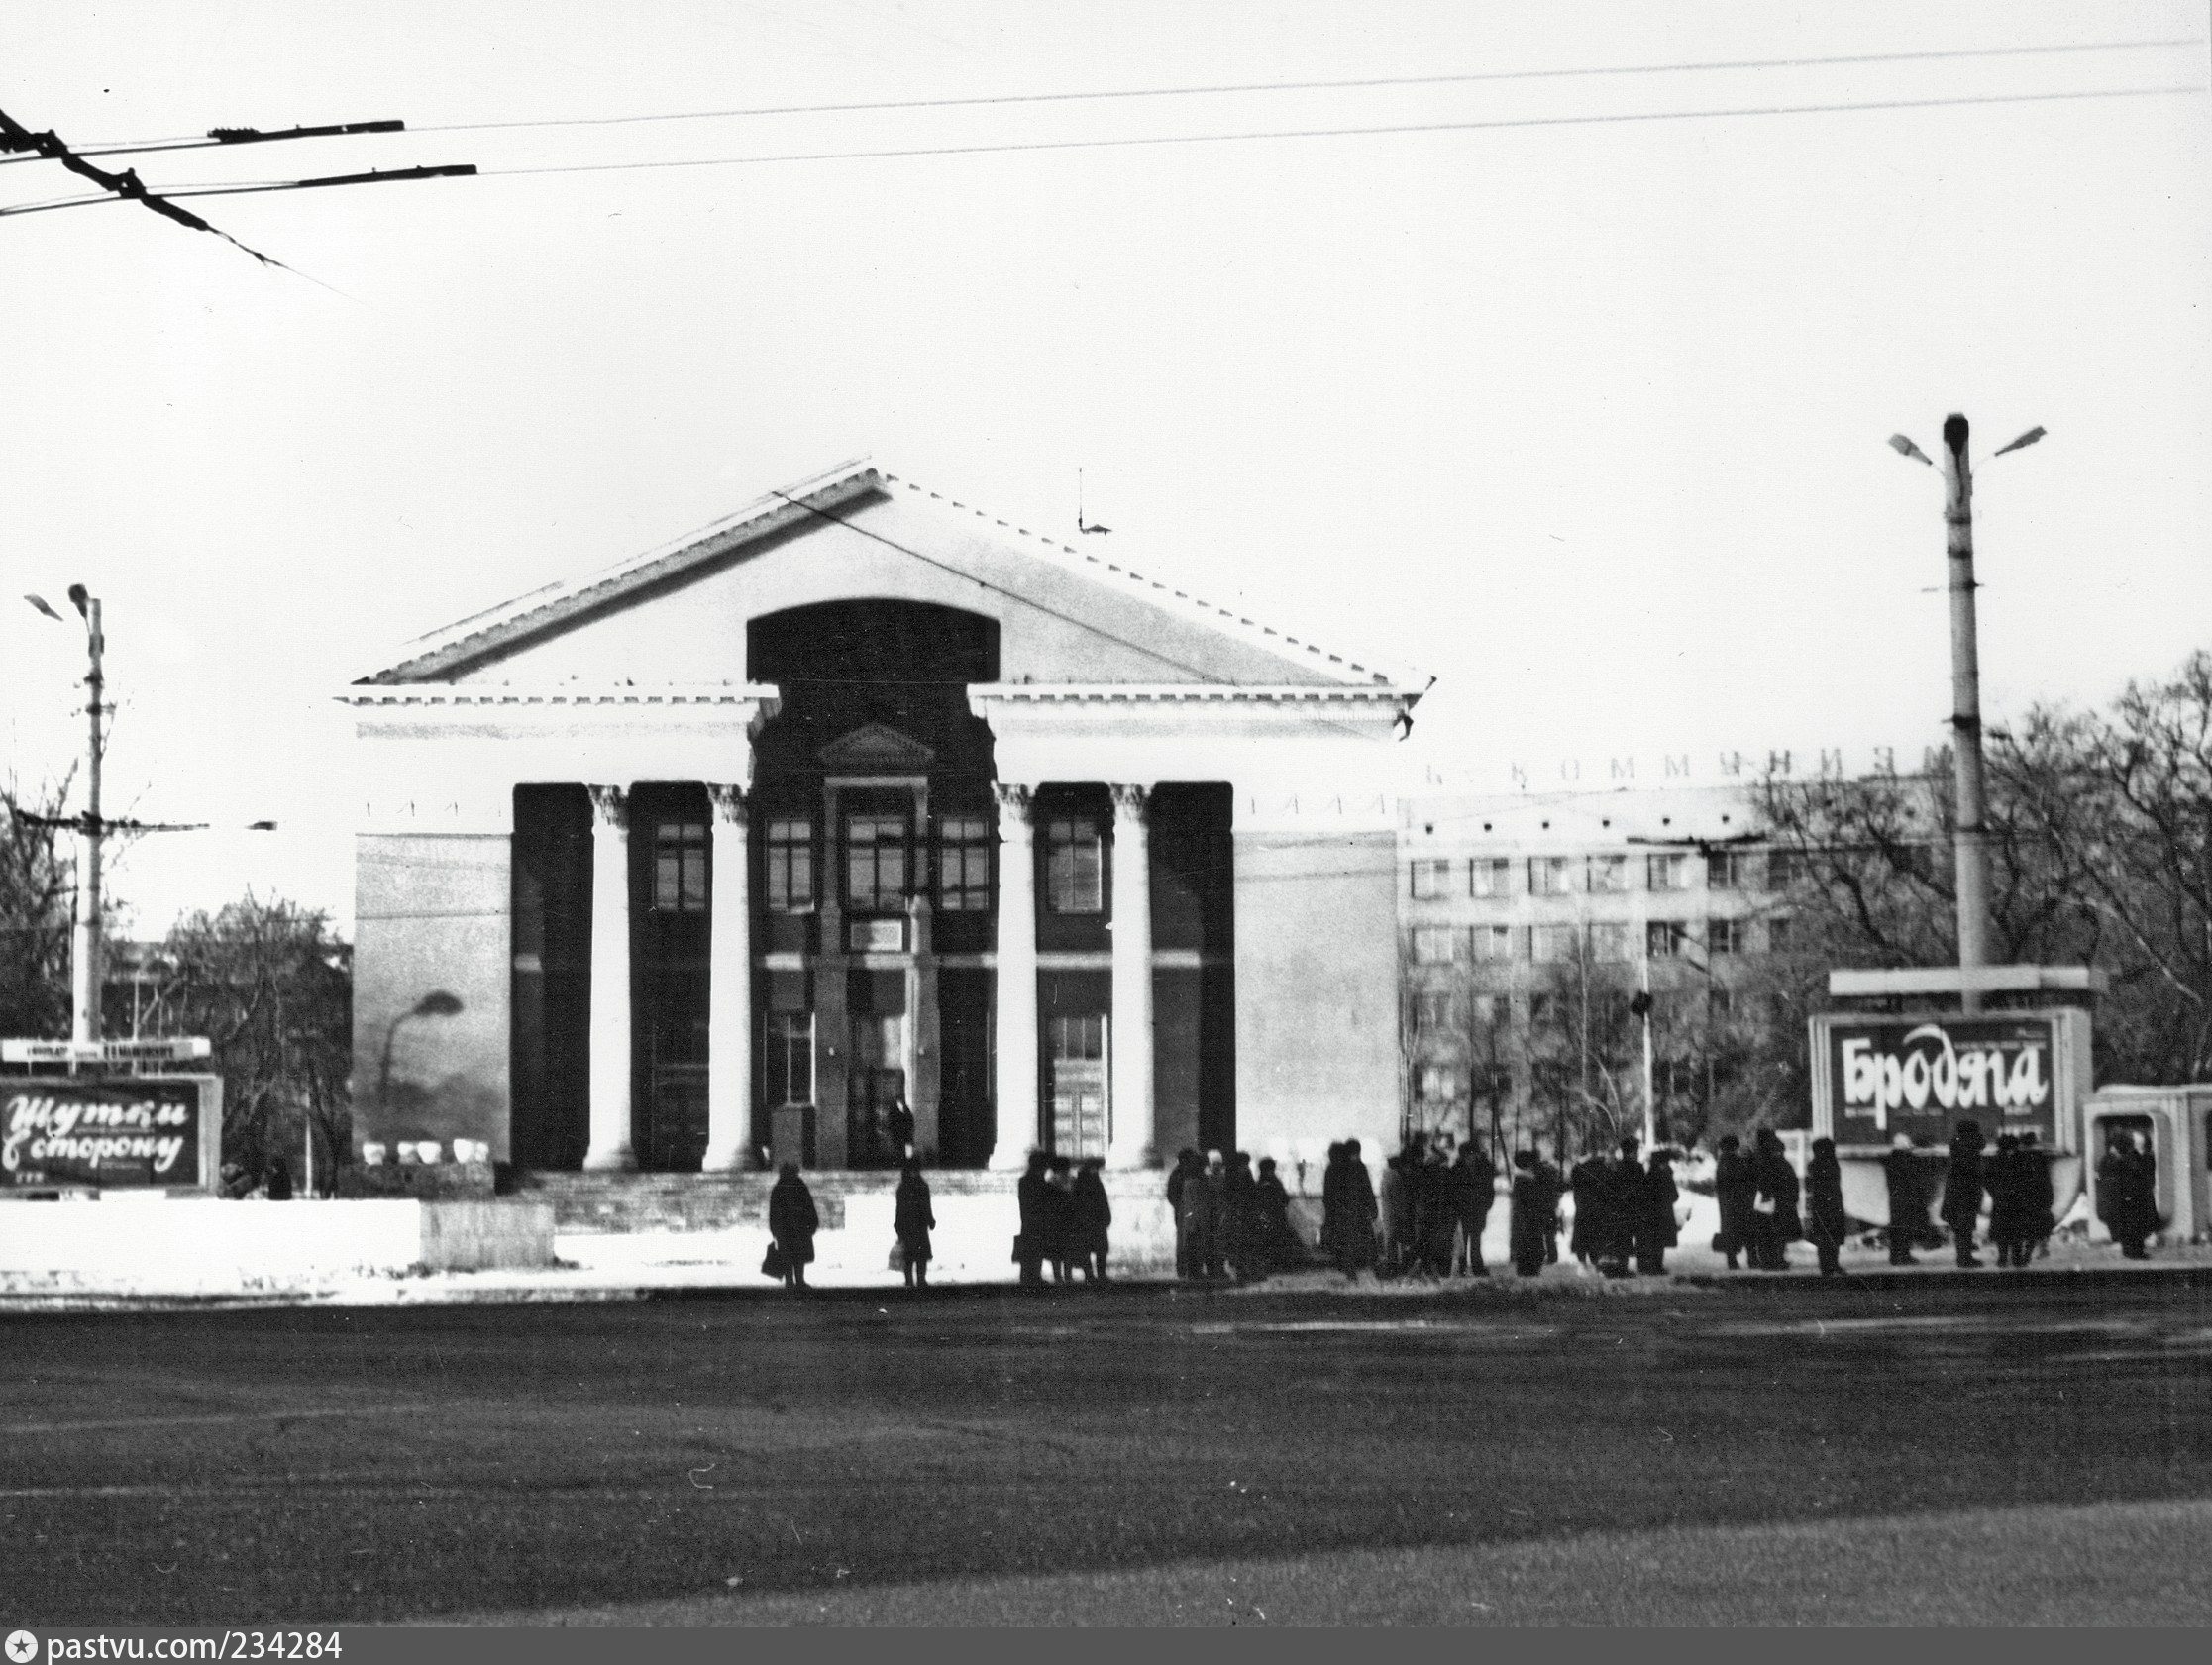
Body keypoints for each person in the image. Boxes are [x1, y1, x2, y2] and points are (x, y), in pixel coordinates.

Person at [2097, 1129, 2159, 1261]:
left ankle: (2133, 1250)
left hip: (2126, 1198)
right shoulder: (2129, 1159)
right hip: (2130, 1198)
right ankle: (2134, 1251)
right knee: (2133, 1226)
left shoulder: (2115, 1159)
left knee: (2131, 1226)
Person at [1320, 1141, 1378, 1281]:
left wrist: (1329, 1215)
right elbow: (1366, 1189)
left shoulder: (1332, 1168)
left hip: (1340, 1214)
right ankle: (1372, 1270)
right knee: (1364, 1242)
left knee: (1345, 1244)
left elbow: (1328, 1196)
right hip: (1357, 1213)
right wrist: (1372, 1208)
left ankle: (1350, 1270)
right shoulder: (1356, 1167)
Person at [1748, 1129, 1801, 1272]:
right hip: (1777, 1198)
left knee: (1766, 1232)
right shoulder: (1775, 1158)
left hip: (1767, 1198)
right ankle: (1776, 1259)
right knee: (1777, 1231)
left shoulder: (1758, 1155)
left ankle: (1768, 1260)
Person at [1448, 1140, 1498, 1276]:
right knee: (1463, 1241)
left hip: (1478, 1210)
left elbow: (1489, 1190)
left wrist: (1486, 1205)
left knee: (1476, 1240)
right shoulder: (1457, 1170)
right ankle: (1463, 1267)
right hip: (1463, 1210)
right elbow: (1453, 1192)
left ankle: (1477, 1266)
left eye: (1473, 1154)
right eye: (1469, 1155)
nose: (1471, 1158)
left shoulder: (1484, 1169)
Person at [1882, 1132, 1932, 1266]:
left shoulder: (1891, 1159)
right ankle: (1903, 1255)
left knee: (1898, 1227)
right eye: (1908, 1142)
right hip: (1907, 1198)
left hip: (1896, 1198)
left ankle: (1896, 1256)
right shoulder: (1906, 1158)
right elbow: (1914, 1176)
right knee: (1905, 1228)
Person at [768, 1161, 818, 1290]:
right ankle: (798, 1281)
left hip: (787, 1228)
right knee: (797, 1256)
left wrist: (774, 1229)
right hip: (798, 1227)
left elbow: (774, 1211)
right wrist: (812, 1223)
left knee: (789, 1255)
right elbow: (809, 1206)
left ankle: (791, 1281)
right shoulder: (799, 1186)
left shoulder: (779, 1188)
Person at [1943, 1121, 1987, 1269]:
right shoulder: (1970, 1149)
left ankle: (1964, 1256)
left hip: (1956, 1194)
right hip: (1967, 1194)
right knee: (1966, 1227)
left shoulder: (1957, 1146)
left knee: (1962, 1228)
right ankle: (1965, 1258)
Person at [1805, 1137, 1848, 1277]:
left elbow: (1809, 1186)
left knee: (1823, 1236)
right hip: (1832, 1204)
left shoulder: (1813, 1165)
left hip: (1820, 1205)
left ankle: (1826, 1265)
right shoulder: (1831, 1164)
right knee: (1833, 1235)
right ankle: (1832, 1263)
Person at [1252, 1156, 1304, 1273]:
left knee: (1270, 1241)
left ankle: (1272, 1264)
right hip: (1276, 1215)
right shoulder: (1273, 1181)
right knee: (1276, 1240)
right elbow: (1284, 1198)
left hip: (1268, 1216)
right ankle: (1277, 1264)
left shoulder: (1261, 1182)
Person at [1713, 1134, 1755, 1271]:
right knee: (1747, 1231)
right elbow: (1747, 1177)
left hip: (1726, 1204)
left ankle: (1732, 1260)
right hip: (1740, 1203)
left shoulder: (1721, 1162)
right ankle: (1752, 1259)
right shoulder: (1736, 1162)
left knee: (1729, 1231)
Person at [1635, 1147, 1679, 1277]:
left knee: (1652, 1241)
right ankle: (1657, 1266)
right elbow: (1675, 1195)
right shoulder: (1665, 1175)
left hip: (1650, 1214)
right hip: (1663, 1213)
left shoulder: (1649, 1175)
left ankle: (1648, 1266)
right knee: (1660, 1242)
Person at [1223, 1150, 1265, 1283]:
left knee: (1242, 1244)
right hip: (1242, 1213)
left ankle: (1244, 1271)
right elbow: (1250, 1192)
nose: (1246, 1165)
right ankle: (1245, 1272)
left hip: (1240, 1213)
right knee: (1243, 1244)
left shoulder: (1236, 1174)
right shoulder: (1241, 1173)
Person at [894, 1158, 935, 1289]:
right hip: (916, 1225)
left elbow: (901, 1209)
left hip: (913, 1225)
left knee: (913, 1255)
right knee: (914, 1255)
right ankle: (915, 1280)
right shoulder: (920, 1186)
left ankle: (915, 1280)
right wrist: (930, 1219)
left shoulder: (905, 1187)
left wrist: (898, 1225)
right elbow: (925, 1206)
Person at [1509, 1150, 1550, 1277]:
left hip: (1525, 1220)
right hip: (1529, 1219)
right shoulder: (1526, 1180)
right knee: (1530, 1245)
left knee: (1526, 1245)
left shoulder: (1520, 1180)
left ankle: (1527, 1268)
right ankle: (1531, 1268)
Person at [1071, 1156, 1111, 1280]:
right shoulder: (1089, 1181)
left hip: (1092, 1220)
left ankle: (1094, 1275)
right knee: (1093, 1249)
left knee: (1093, 1249)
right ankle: (1095, 1275)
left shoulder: (1086, 1180)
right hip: (1091, 1220)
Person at [1567, 1147, 1608, 1269]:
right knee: (1595, 1238)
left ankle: (1584, 1264)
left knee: (1583, 1237)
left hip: (1584, 1207)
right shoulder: (1600, 1167)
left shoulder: (1580, 1168)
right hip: (1594, 1208)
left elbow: (1573, 1178)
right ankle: (1594, 1264)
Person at [1166, 1148, 1204, 1280]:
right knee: (1185, 1240)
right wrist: (1180, 1207)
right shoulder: (1180, 1174)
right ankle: (1185, 1268)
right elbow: (1172, 1194)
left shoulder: (1184, 1173)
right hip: (1184, 1212)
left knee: (1191, 1240)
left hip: (1187, 1212)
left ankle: (1192, 1268)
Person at [1015, 1150, 1051, 1286]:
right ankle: (1033, 1277)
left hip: (1029, 1220)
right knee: (1035, 1249)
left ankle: (1029, 1277)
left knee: (1031, 1250)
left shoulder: (1025, 1181)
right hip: (1036, 1219)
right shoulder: (1037, 1182)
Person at [1378, 1148, 1413, 1278]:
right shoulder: (1396, 1178)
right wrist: (1403, 1214)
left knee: (1390, 1242)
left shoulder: (1384, 1177)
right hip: (1396, 1215)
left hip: (1387, 1214)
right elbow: (1399, 1199)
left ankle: (1391, 1268)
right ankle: (1399, 1268)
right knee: (1400, 1242)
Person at [1044, 1155, 1077, 1283]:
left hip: (1060, 1220)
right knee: (1062, 1250)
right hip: (1061, 1220)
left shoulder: (1052, 1182)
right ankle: (1063, 1276)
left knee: (1061, 1251)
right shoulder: (1067, 1182)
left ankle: (1062, 1276)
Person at [886, 1097, 916, 1163]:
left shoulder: (906, 1110)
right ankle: (899, 1160)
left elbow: (910, 1120)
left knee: (907, 1146)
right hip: (898, 1132)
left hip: (906, 1132)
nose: (901, 1104)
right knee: (898, 1146)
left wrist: (910, 1129)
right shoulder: (894, 1111)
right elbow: (891, 1122)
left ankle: (907, 1160)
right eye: (899, 1102)